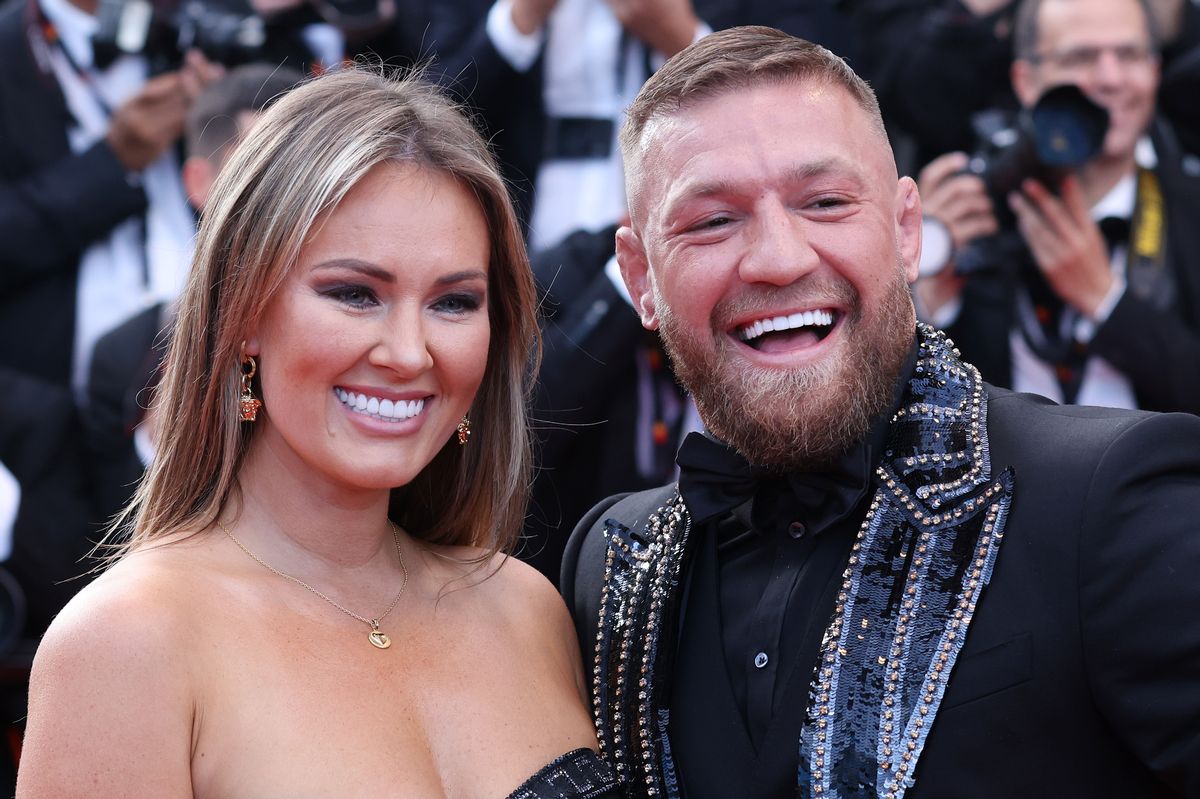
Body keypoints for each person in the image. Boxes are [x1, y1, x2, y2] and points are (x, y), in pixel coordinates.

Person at [560, 25, 1200, 798]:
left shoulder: (1110, 499)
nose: (779, 257)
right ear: (641, 279)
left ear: (906, 231)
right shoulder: (609, 561)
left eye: (825, 203)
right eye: (711, 221)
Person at [18, 67, 620, 798]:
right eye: (354, 293)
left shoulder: (528, 606)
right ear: (243, 312)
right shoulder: (126, 644)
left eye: (455, 302)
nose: (408, 351)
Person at [915, 0, 1200, 414]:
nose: (1110, 77)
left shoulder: (1192, 209)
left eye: (1129, 54)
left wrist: (1107, 303)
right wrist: (926, 297)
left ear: (1155, 70)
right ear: (1025, 80)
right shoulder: (976, 209)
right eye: (1081, 57)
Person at [85, 62, 307, 523]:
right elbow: (109, 543)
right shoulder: (125, 357)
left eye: (310, 171)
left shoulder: (382, 327)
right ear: (199, 183)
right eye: (264, 170)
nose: (294, 196)